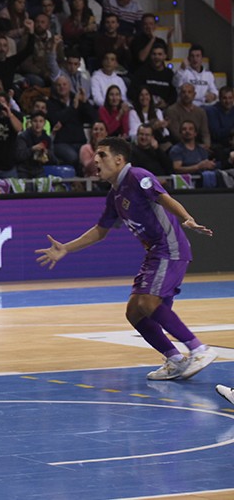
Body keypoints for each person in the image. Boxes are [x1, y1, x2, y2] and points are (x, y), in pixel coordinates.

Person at [36, 136, 216, 381]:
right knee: (134, 312)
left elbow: (163, 197)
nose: (96, 159)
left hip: (169, 248)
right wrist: (66, 248)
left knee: (147, 303)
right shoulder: (115, 195)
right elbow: (101, 231)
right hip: (154, 253)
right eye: (96, 154)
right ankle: (175, 359)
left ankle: (198, 349)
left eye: (102, 155)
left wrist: (187, 218)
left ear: (119, 160)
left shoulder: (137, 176)